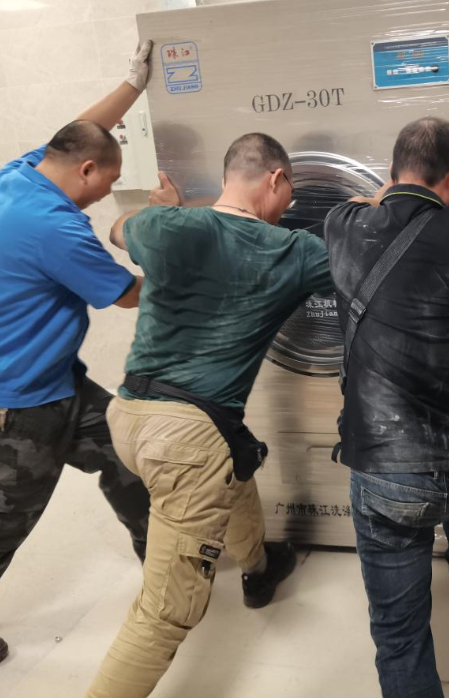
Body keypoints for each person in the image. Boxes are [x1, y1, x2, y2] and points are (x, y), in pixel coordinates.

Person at [0, 42, 157, 676]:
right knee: (1, 519)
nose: (106, 195)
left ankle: (161, 558)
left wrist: (132, 84)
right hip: (9, 400)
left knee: (128, 453)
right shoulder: (57, 228)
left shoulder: (15, 179)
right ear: (87, 170)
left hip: (51, 381)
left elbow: (79, 130)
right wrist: (186, 238)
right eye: (108, 183)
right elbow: (128, 295)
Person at [86, 133, 331, 698]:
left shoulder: (166, 225)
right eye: (289, 192)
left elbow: (118, 229)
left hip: (129, 414)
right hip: (186, 441)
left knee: (232, 461)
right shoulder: (292, 251)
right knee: (165, 612)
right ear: (275, 179)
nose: (290, 206)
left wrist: (165, 213)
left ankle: (260, 567)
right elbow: (378, 263)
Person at [324, 117, 449, 698]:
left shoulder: (341, 224)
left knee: (399, 630)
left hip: (388, 469)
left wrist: (392, 185)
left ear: (390, 171)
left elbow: (377, 199)